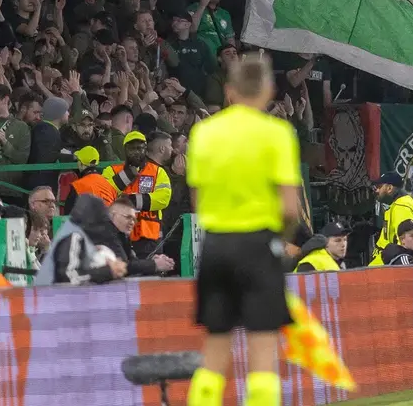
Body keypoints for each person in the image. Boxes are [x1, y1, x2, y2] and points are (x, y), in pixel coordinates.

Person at [185, 52, 302, 406]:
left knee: (214, 350)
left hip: (217, 245)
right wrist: (282, 241)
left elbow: (197, 199)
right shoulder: (276, 133)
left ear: (230, 90)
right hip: (258, 244)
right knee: (262, 350)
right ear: (268, 90)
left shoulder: (204, 132)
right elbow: (289, 208)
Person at [101, 130, 171, 258]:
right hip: (120, 235)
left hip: (149, 236)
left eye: (140, 148)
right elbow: (104, 194)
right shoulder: (111, 170)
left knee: (151, 275)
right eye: (132, 148)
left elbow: (164, 198)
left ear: (146, 149)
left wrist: (134, 201)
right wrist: (126, 176)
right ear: (125, 151)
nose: (136, 152)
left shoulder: (157, 172)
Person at [368, 171, 413, 265]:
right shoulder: (401, 204)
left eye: (379, 187)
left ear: (389, 188)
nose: (376, 191)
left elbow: (406, 244)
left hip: (397, 270)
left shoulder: (401, 207)